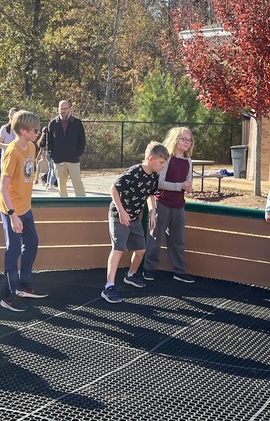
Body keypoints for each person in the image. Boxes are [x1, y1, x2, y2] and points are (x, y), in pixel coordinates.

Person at [101, 142, 169, 303]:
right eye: (161, 162)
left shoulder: (154, 176)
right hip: (119, 215)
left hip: (135, 218)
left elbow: (152, 194)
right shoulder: (133, 172)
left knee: (141, 250)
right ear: (151, 159)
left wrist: (152, 212)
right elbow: (114, 189)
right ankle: (108, 286)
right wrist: (122, 212)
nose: (163, 166)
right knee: (118, 249)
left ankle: (130, 275)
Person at [0, 110, 48, 312]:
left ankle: (25, 285)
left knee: (32, 242)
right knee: (14, 249)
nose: (38, 132)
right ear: (24, 131)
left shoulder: (32, 147)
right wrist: (12, 215)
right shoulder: (13, 152)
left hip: (25, 207)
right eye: (35, 129)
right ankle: (8, 295)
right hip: (10, 208)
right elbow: (3, 187)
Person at [143, 127, 195, 283]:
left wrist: (188, 187)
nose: (187, 142)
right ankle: (149, 268)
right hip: (162, 203)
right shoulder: (168, 159)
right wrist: (180, 186)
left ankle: (180, 270)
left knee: (178, 239)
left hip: (179, 205)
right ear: (175, 139)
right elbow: (159, 183)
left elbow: (188, 182)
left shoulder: (188, 161)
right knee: (155, 237)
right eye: (183, 139)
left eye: (189, 140)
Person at [45, 100, 86, 197]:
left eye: (65, 108)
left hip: (73, 159)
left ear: (70, 109)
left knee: (77, 183)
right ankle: (64, 204)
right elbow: (49, 141)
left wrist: (78, 154)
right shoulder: (53, 124)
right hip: (58, 160)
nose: (63, 111)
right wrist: (52, 156)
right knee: (61, 185)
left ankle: (82, 203)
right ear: (58, 110)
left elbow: (82, 140)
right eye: (61, 109)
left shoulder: (77, 123)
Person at [0, 108, 17, 172]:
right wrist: (10, 146)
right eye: (10, 114)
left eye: (14, 115)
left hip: (18, 159)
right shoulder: (4, 129)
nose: (11, 116)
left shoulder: (22, 130)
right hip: (6, 158)